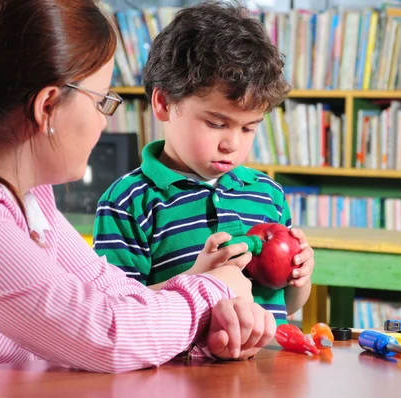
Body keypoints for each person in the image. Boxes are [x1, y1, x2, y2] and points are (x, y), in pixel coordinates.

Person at [0, 0, 276, 374]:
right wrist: (212, 290)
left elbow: (108, 293)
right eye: (102, 102)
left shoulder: (26, 195)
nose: (104, 123)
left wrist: (205, 296)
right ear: (47, 106)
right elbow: (109, 335)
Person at [93, 2, 315, 326]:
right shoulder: (127, 203)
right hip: (181, 374)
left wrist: (300, 277)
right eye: (216, 123)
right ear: (164, 103)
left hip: (269, 372)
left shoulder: (267, 195)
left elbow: (287, 306)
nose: (232, 144)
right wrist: (198, 281)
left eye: (249, 127)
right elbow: (116, 311)